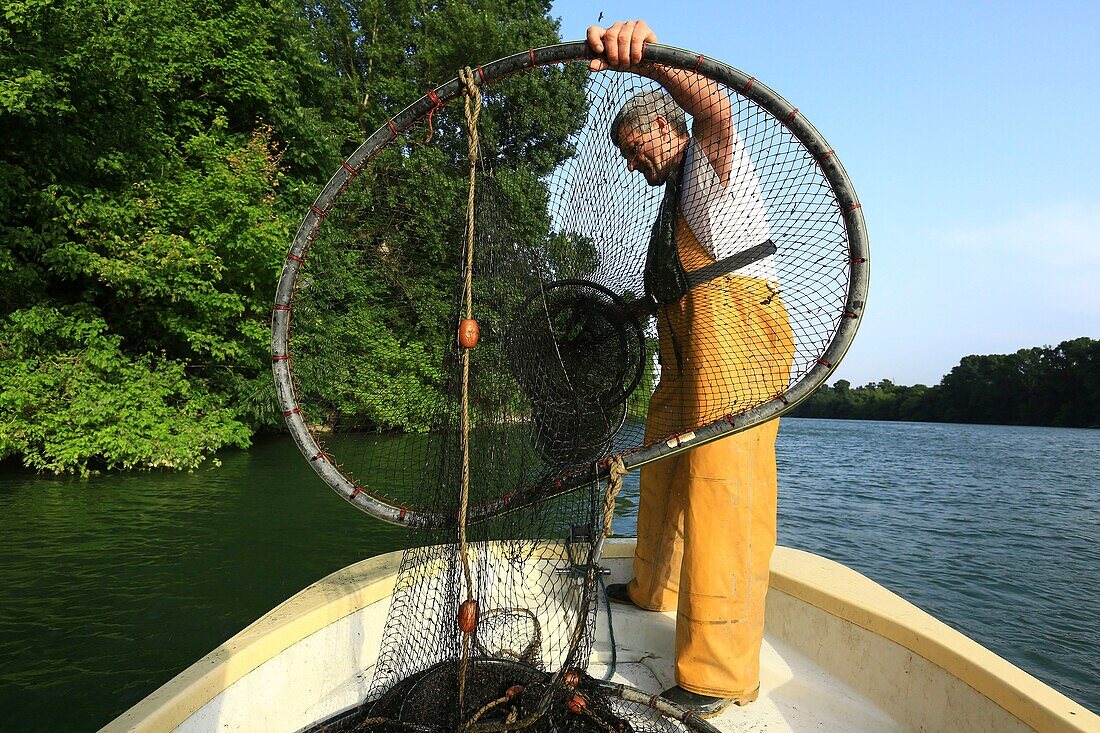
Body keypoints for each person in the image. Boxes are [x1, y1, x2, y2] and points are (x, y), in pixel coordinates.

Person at [587, 20, 795, 716]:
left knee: (721, 489)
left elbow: (718, 108)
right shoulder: (672, 200)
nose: (630, 163)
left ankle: (718, 672)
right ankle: (655, 587)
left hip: (737, 348)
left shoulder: (710, 164)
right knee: (665, 465)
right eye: (623, 154)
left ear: (665, 129)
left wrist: (647, 58)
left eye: (634, 147)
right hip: (685, 356)